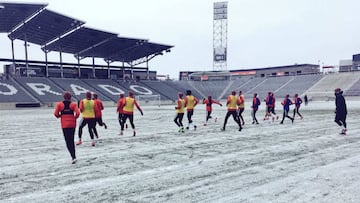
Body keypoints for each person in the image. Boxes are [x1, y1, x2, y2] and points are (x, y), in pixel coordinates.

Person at [54, 91, 80, 164]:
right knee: (71, 139)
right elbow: (78, 113)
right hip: (72, 123)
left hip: (64, 124)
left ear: (63, 97)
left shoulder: (60, 104)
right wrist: (74, 117)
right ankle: (74, 156)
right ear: (70, 97)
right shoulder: (73, 104)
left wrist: (60, 116)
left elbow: (56, 114)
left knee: (67, 141)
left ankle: (73, 156)